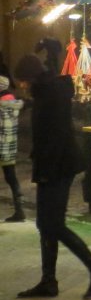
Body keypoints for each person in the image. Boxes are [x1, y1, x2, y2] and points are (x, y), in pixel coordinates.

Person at [13, 53, 91, 299]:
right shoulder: (45, 93)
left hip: (57, 169)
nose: (22, 86)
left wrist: (46, 172)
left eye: (24, 80)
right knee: (45, 225)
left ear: (33, 77)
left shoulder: (51, 96)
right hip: (51, 167)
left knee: (52, 224)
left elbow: (55, 138)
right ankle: (49, 281)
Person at [1, 74, 27, 221]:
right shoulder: (12, 104)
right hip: (9, 146)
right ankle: (19, 209)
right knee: (11, 178)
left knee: (10, 178)